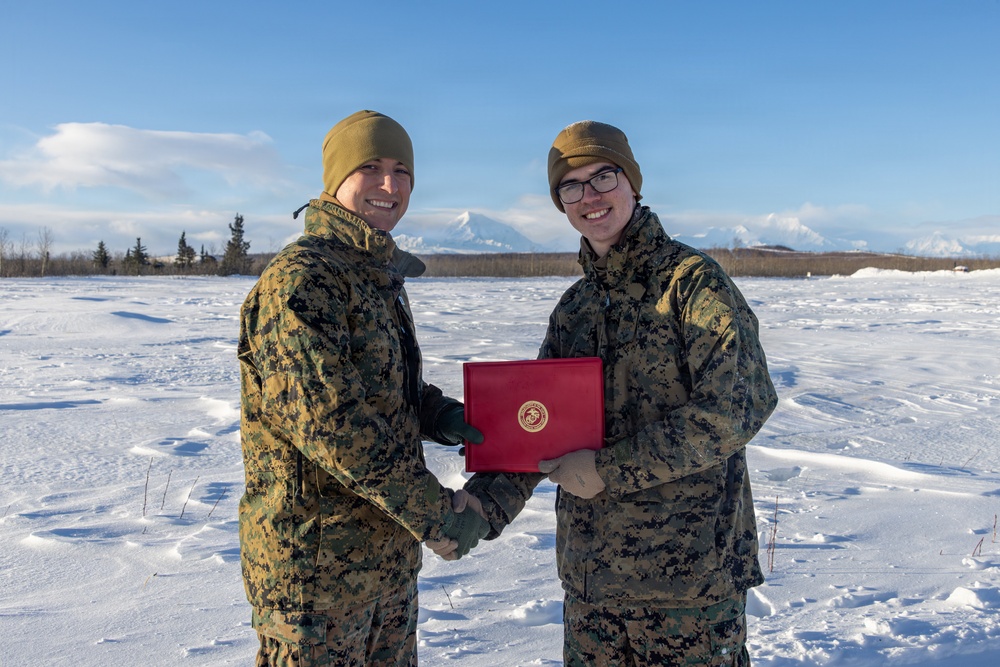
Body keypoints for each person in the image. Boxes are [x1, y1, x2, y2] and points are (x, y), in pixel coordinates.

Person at [460, 120, 778, 666]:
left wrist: (612, 468)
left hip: (689, 588)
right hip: (592, 589)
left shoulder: (693, 285)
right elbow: (536, 426)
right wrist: (477, 511)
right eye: (571, 185)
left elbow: (736, 407)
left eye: (603, 176)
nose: (590, 196)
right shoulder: (575, 308)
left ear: (632, 182)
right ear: (561, 204)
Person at [237, 109, 488, 667]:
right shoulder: (302, 282)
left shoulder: (373, 275)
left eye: (402, 171)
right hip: (317, 576)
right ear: (336, 180)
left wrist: (441, 414)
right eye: (370, 167)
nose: (389, 185)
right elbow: (336, 430)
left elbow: (383, 389)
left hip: (385, 563)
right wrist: (438, 516)